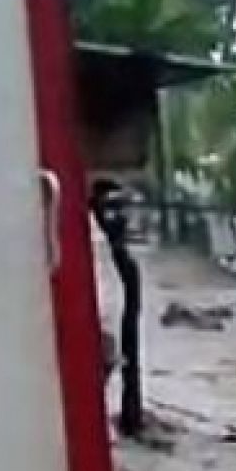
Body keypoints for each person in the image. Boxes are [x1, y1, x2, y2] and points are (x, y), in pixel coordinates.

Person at [90, 179, 143, 437]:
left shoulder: (117, 253)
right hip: (103, 321)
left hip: (111, 318)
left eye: (122, 209)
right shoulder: (94, 238)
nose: (120, 217)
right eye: (112, 208)